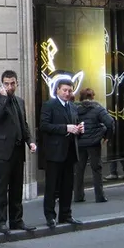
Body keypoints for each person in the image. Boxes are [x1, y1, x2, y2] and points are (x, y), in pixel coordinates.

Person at [0, 70, 37, 235]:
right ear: (2, 84)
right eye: (6, 84)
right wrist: (3, 98)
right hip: (2, 151)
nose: (9, 87)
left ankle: (17, 220)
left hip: (17, 150)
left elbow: (24, 124)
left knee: (17, 187)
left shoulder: (20, 102)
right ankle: (1, 222)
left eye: (12, 83)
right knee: (2, 188)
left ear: (17, 83)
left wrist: (30, 141)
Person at [40, 79, 83, 228]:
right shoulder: (49, 105)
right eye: (64, 90)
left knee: (67, 186)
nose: (67, 93)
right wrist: (65, 128)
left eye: (70, 90)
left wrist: (79, 130)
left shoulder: (73, 106)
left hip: (70, 151)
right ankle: (50, 216)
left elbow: (75, 125)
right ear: (57, 90)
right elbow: (44, 126)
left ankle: (66, 214)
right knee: (52, 186)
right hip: (54, 152)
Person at [74, 88, 114, 203]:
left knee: (78, 170)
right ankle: (99, 196)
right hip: (94, 143)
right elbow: (110, 122)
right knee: (96, 169)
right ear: (92, 96)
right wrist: (107, 136)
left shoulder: (74, 108)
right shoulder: (97, 108)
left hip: (79, 142)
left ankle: (78, 196)